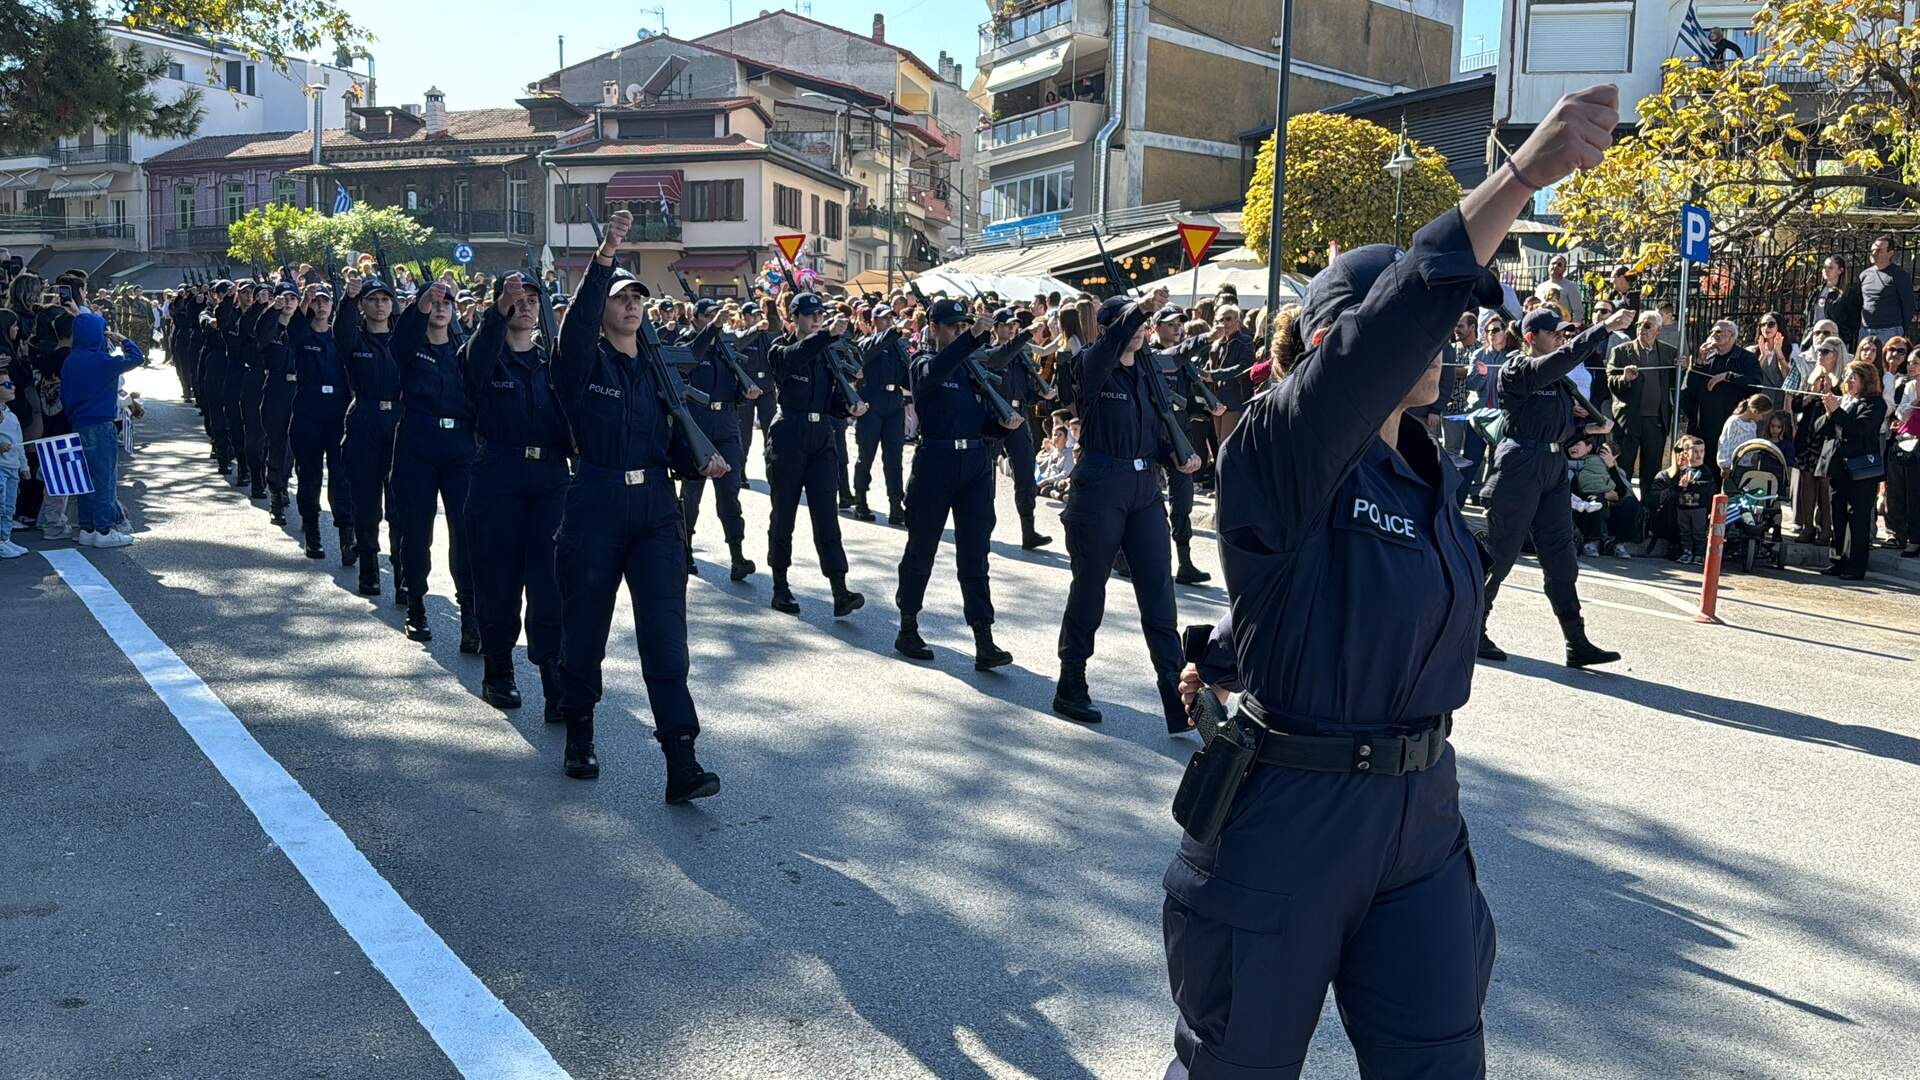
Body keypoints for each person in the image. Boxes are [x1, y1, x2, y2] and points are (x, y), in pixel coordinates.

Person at [1161, 83, 1624, 1080]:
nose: (1447, 339)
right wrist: (1517, 177)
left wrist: (1230, 651)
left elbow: (1357, 602)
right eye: (1434, 323)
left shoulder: (1426, 468)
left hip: (1420, 814)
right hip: (1291, 819)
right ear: (1335, 341)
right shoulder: (1279, 443)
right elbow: (1393, 323)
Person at [548, 208, 728, 798]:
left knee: (666, 636)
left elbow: (670, 444)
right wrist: (605, 258)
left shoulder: (657, 371)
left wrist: (699, 462)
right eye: (621, 298)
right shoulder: (581, 362)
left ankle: (681, 758)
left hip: (654, 508)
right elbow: (577, 327)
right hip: (595, 501)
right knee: (585, 627)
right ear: (602, 308)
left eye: (638, 299)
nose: (631, 306)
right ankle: (579, 733)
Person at [1050, 293, 1202, 731]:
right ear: (1106, 329)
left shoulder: (1148, 371)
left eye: (1140, 323)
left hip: (1144, 490)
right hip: (1100, 486)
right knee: (1089, 588)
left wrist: (1177, 457)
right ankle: (1071, 681)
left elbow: (1155, 433)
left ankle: (1176, 698)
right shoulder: (1091, 366)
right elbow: (1104, 350)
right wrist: (1140, 309)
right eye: (1127, 323)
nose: (1137, 329)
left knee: (1159, 593)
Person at [1478, 304, 1634, 667]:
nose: (1561, 338)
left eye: (1563, 333)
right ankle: (1471, 627)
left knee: (1561, 557)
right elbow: (1562, 360)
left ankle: (1576, 641)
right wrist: (1603, 328)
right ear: (1531, 338)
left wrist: (1588, 432)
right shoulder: (1518, 368)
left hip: (1552, 466)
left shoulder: (1559, 381)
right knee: (1500, 553)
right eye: (1554, 333)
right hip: (1520, 465)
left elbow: (1560, 427)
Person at [455, 272, 571, 716]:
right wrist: (498, 308)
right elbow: (478, 357)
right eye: (516, 299)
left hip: (550, 478)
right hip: (498, 475)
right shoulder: (483, 355)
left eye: (532, 300)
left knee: (550, 583)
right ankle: (498, 671)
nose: (525, 306)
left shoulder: (552, 362)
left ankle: (553, 680)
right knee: (498, 580)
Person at [891, 298, 1023, 668]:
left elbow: (981, 420)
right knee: (921, 549)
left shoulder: (971, 369)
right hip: (936, 462)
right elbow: (935, 370)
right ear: (934, 328)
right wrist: (974, 338)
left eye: (964, 326)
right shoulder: (922, 363)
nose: (961, 331)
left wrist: (1002, 425)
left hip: (975, 464)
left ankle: (983, 636)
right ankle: (908, 625)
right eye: (954, 326)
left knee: (976, 553)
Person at [764, 292, 869, 618]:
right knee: (784, 514)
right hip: (789, 434)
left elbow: (831, 401)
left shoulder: (827, 355)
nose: (816, 320)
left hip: (821, 437)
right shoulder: (780, 349)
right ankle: (780, 585)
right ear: (794, 318)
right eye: (810, 315)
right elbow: (792, 359)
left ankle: (839, 588)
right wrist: (825, 336)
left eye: (820, 316)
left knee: (827, 516)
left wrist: (849, 406)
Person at [391, 279, 479, 646]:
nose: (440, 308)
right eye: (434, 302)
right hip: (418, 442)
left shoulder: (465, 350)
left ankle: (470, 612)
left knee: (466, 530)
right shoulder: (411, 346)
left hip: (460, 445)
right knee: (417, 529)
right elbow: (401, 338)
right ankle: (416, 604)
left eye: (447, 303)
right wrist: (421, 304)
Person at [266, 283, 354, 561]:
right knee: (310, 476)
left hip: (338, 413)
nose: (321, 305)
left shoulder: (341, 337)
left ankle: (347, 537)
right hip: (308, 411)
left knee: (341, 476)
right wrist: (304, 300)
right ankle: (313, 533)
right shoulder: (301, 335)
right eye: (316, 301)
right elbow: (293, 327)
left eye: (325, 301)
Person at [677, 298, 759, 581]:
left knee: (730, 492)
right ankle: (685, 550)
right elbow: (685, 366)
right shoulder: (686, 344)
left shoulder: (725, 348)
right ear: (695, 318)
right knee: (691, 493)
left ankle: (737, 555)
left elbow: (732, 388)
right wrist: (711, 329)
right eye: (708, 315)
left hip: (726, 424)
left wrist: (744, 392)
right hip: (697, 425)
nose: (716, 319)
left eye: (717, 315)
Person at [337, 273, 406, 599]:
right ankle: (369, 569)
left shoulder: (403, 340)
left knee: (400, 505)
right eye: (373, 300)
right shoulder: (355, 340)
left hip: (398, 421)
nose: (380, 305)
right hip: (364, 419)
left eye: (385, 299)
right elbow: (341, 328)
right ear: (363, 306)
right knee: (366, 504)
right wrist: (348, 300)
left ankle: (403, 574)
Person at [61, 307, 142, 548]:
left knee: (84, 480)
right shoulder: (102, 361)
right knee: (104, 479)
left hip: (77, 423)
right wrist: (123, 339)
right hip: (100, 423)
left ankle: (87, 528)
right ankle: (104, 530)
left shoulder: (70, 361)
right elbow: (136, 357)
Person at [1153, 310, 1222, 583]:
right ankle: (1130, 555)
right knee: (1146, 500)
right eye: (1170, 324)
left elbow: (1188, 402)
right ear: (1156, 328)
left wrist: (1206, 409)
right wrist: (1206, 338)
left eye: (1179, 324)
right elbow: (1174, 356)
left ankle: (1185, 562)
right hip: (1151, 438)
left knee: (1183, 501)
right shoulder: (1150, 356)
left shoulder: (1184, 364)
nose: (1177, 328)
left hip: (1179, 436)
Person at [984, 306, 1058, 549]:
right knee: (987, 474)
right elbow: (998, 359)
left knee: (1026, 472)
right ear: (995, 328)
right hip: (995, 417)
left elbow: (1026, 392)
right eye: (1006, 325)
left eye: (1014, 326)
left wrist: (1041, 394)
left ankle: (1029, 529)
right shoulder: (989, 352)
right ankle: (983, 525)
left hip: (1018, 416)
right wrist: (1025, 336)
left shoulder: (1020, 356)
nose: (1011, 329)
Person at [1813, 360, 1889, 580]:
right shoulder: (1844, 401)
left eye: (1853, 378)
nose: (1848, 381)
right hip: (1839, 467)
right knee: (1837, 513)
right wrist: (1829, 413)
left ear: (1866, 380)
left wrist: (1837, 412)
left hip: (1862, 469)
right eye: (1846, 377)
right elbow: (1819, 429)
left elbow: (1860, 429)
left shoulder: (1875, 404)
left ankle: (1856, 566)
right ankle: (1837, 559)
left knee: (1858, 518)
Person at [850, 304, 910, 526]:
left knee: (894, 458)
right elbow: (866, 354)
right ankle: (860, 500)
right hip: (871, 402)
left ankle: (896, 505)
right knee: (866, 455)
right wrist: (892, 334)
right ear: (874, 321)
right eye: (884, 319)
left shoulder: (897, 348)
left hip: (894, 403)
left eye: (890, 319)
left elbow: (906, 377)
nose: (888, 322)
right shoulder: (867, 343)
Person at [1606, 310, 1675, 495]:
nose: (1641, 329)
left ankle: (1648, 509)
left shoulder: (1669, 352)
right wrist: (1624, 378)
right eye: (1638, 325)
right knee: (1623, 467)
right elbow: (1610, 382)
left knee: (1651, 471)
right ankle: (1622, 504)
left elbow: (1677, 383)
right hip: (1628, 420)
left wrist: (1683, 368)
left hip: (1656, 421)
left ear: (1658, 330)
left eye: (1647, 326)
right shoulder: (1621, 351)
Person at [1681, 319, 1760, 465]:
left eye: (1718, 331)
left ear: (1731, 336)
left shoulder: (1745, 358)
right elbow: (1691, 388)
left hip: (1731, 427)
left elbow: (1756, 384)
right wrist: (1699, 362)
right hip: (1704, 427)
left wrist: (1728, 376)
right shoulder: (1709, 357)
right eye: (1712, 332)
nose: (1713, 334)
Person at [1858, 235, 1913, 346]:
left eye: (1879, 250)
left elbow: (1908, 304)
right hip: (1866, 330)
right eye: (1872, 250)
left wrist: (1904, 330)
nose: (1874, 253)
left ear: (1890, 253)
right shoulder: (1864, 275)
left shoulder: (1899, 275)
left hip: (1890, 330)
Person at [1807, 255, 1861, 350]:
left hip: (1835, 341)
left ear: (1840, 270)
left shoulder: (1847, 293)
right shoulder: (1817, 292)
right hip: (1815, 339)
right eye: (1824, 267)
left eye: (1830, 268)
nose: (1826, 270)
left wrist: (1844, 338)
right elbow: (1809, 317)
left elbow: (1854, 322)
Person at [0, 369, 25, 557]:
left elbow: (19, 442)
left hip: (12, 467)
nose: (12, 387)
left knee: (9, 506)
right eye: (7, 384)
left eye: (12, 383)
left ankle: (5, 538)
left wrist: (24, 465)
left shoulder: (11, 416)